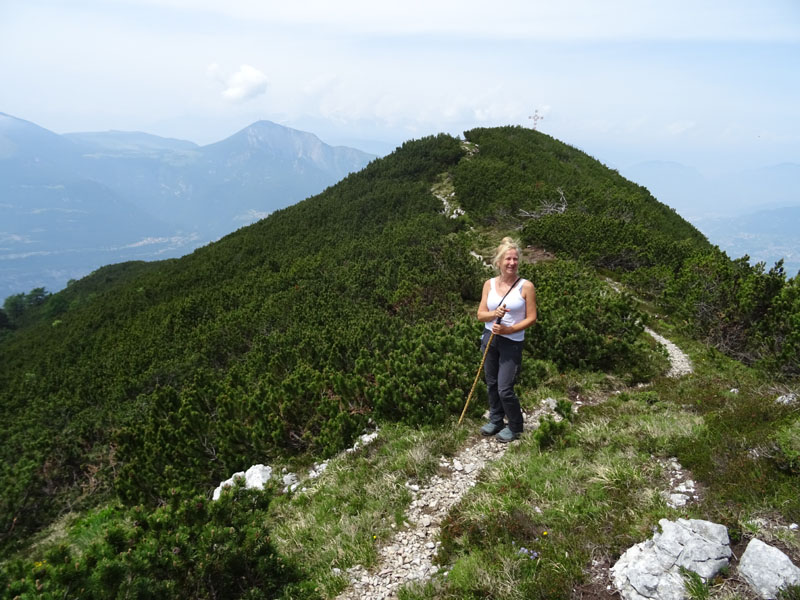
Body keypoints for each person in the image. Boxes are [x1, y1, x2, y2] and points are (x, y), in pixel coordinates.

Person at [476, 237, 537, 442]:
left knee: (504, 388)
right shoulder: (489, 284)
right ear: (499, 262)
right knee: (491, 383)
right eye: (508, 259)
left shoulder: (526, 286)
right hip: (490, 338)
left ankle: (516, 426)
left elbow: (531, 318)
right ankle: (495, 420)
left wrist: (508, 330)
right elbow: (480, 315)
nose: (512, 263)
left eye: (515, 259)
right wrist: (495, 314)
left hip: (512, 342)